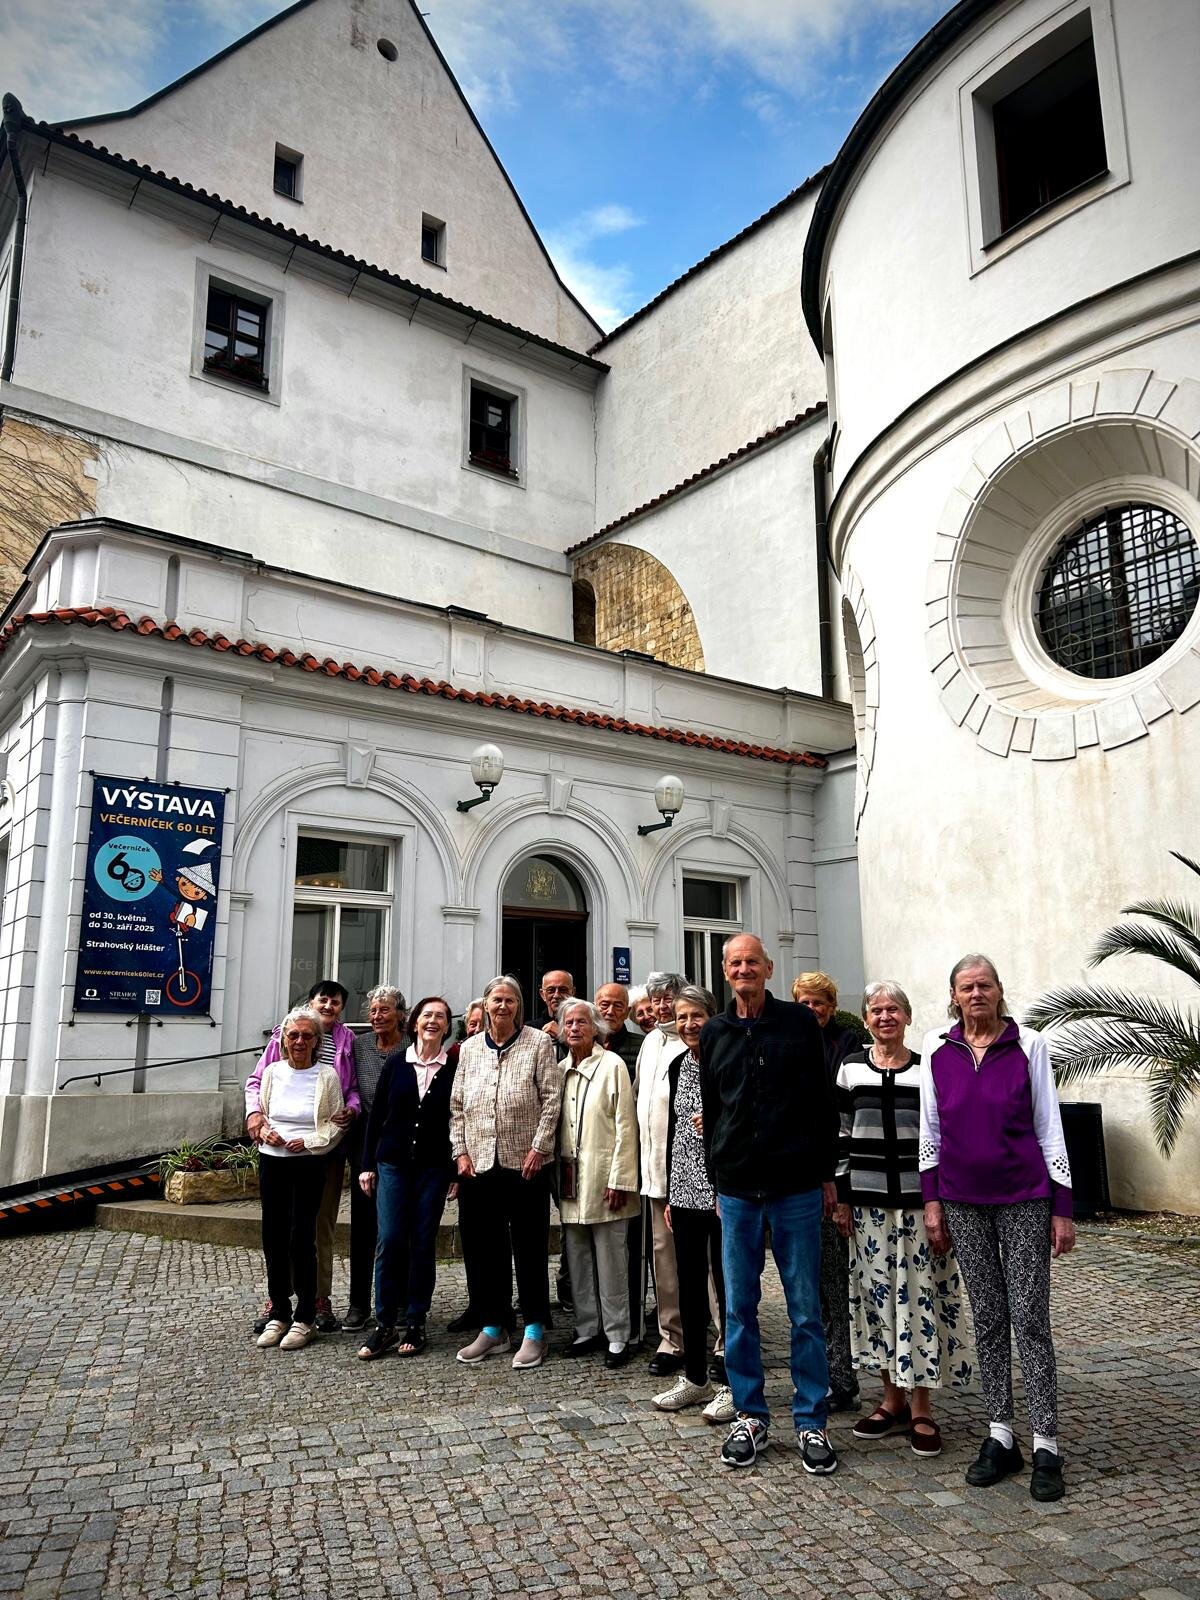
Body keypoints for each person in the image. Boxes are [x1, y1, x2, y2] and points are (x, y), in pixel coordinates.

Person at [920, 954, 1075, 1503]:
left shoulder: (1029, 1045)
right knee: (987, 1316)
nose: (976, 993)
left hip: (1024, 1198)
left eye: (984, 984)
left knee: (1030, 1318)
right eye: (967, 987)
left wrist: (1062, 1206)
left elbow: (1049, 1126)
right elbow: (931, 1131)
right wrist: (932, 1202)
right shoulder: (937, 1049)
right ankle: (1001, 1434)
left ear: (999, 990)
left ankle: (1046, 1443)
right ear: (954, 995)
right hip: (962, 1200)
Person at [699, 934, 839, 1475]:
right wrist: (716, 1178)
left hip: (795, 1186)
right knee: (739, 1308)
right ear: (725, 971)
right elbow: (713, 1109)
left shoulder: (798, 1023)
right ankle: (750, 1415)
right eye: (735, 963)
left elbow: (822, 1104)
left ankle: (811, 1420)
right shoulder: (715, 1032)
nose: (744, 970)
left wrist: (825, 1174)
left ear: (768, 968)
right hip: (736, 1189)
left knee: (804, 1309)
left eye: (752, 962)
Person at [835, 982, 973, 1458]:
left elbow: (943, 1134)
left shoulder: (927, 1069)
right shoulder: (851, 1068)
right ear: (866, 1020)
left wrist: (943, 1202)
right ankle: (890, 1400)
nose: (885, 1017)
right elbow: (841, 1135)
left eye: (893, 1009)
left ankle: (922, 1407)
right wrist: (843, 1198)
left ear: (908, 1017)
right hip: (868, 1207)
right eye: (876, 1010)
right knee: (878, 1302)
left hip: (919, 1205)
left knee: (920, 1302)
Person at [451, 975, 563, 1370]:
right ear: (485, 1005)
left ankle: (534, 1328)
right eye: (496, 1000)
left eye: (510, 1000)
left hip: (526, 1164)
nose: (503, 1006)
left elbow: (552, 1099)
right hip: (479, 1165)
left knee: (529, 1247)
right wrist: (460, 1152)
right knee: (487, 1249)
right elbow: (457, 1106)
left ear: (519, 1006)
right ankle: (494, 1326)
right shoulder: (469, 1049)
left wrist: (540, 1147)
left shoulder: (538, 1043)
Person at [245, 979, 360, 1334]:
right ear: (310, 1003)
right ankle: (279, 1301)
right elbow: (257, 1084)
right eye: (323, 1000)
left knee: (317, 1226)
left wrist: (352, 1109)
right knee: (277, 1230)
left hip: (322, 1151)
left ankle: (316, 1299)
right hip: (276, 1153)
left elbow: (351, 1089)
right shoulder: (282, 1041)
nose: (328, 1006)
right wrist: (256, 1118)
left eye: (335, 1002)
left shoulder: (346, 1042)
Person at [358, 996, 459, 1360]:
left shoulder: (453, 1067)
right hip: (393, 1164)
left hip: (433, 1168)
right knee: (389, 1239)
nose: (433, 1021)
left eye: (440, 1017)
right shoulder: (397, 1063)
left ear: (447, 1027)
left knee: (422, 1242)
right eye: (427, 1015)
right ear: (414, 1023)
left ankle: (416, 1321)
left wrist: (454, 1171)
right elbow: (376, 1116)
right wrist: (367, 1164)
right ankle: (384, 1323)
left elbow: (457, 1120)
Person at [652, 985, 733, 1425]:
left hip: (724, 1188)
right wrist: (670, 1191)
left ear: (712, 1017)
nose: (688, 1024)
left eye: (696, 1016)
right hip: (684, 1187)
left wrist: (720, 1119)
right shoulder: (678, 1064)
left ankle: (733, 1382)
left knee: (727, 1284)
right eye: (681, 1017)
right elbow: (674, 1130)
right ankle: (696, 1377)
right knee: (688, 1284)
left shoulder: (728, 1058)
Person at [557, 1000, 640, 1368]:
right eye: (569, 1023)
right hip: (570, 1184)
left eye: (582, 1022)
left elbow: (626, 1126)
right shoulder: (559, 1070)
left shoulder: (613, 1065)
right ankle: (587, 1328)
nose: (575, 1028)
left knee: (611, 1261)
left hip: (606, 1181)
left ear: (595, 1028)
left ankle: (618, 1334)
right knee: (578, 1259)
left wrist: (621, 1179)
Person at [792, 970, 860, 1412]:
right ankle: (818, 1372)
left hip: (835, 1173)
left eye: (819, 1002)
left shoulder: (847, 1045)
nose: (812, 1009)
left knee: (835, 1284)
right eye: (805, 1002)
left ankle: (842, 1378)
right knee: (808, 1286)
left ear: (832, 1007)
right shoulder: (788, 1039)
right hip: (797, 1174)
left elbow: (840, 1112)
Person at [341, 985, 408, 1332]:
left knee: (397, 1227)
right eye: (373, 1011)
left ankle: (399, 1301)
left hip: (403, 1144)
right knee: (364, 1225)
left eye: (385, 1010)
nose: (377, 1016)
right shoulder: (360, 1045)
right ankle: (358, 1303)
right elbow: (350, 1086)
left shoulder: (412, 1047)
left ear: (401, 1014)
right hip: (366, 1143)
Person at [635, 971, 689, 1377]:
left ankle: (722, 1342)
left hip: (693, 1176)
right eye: (656, 999)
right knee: (664, 1263)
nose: (662, 1005)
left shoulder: (698, 1039)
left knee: (707, 1264)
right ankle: (673, 1339)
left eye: (669, 997)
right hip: (654, 1174)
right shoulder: (650, 1042)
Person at [594, 981, 647, 1345]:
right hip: (591, 1159)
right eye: (604, 1004)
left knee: (629, 1245)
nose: (610, 1011)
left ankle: (631, 1323)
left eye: (617, 1005)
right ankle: (598, 1319)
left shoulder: (640, 1047)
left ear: (627, 1011)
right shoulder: (582, 1044)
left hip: (630, 1157)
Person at [538, 970, 575, 1039]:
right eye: (551, 990)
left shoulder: (582, 1026)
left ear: (572, 992)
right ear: (543, 995)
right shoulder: (531, 1028)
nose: (556, 995)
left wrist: (563, 1037)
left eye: (563, 990)